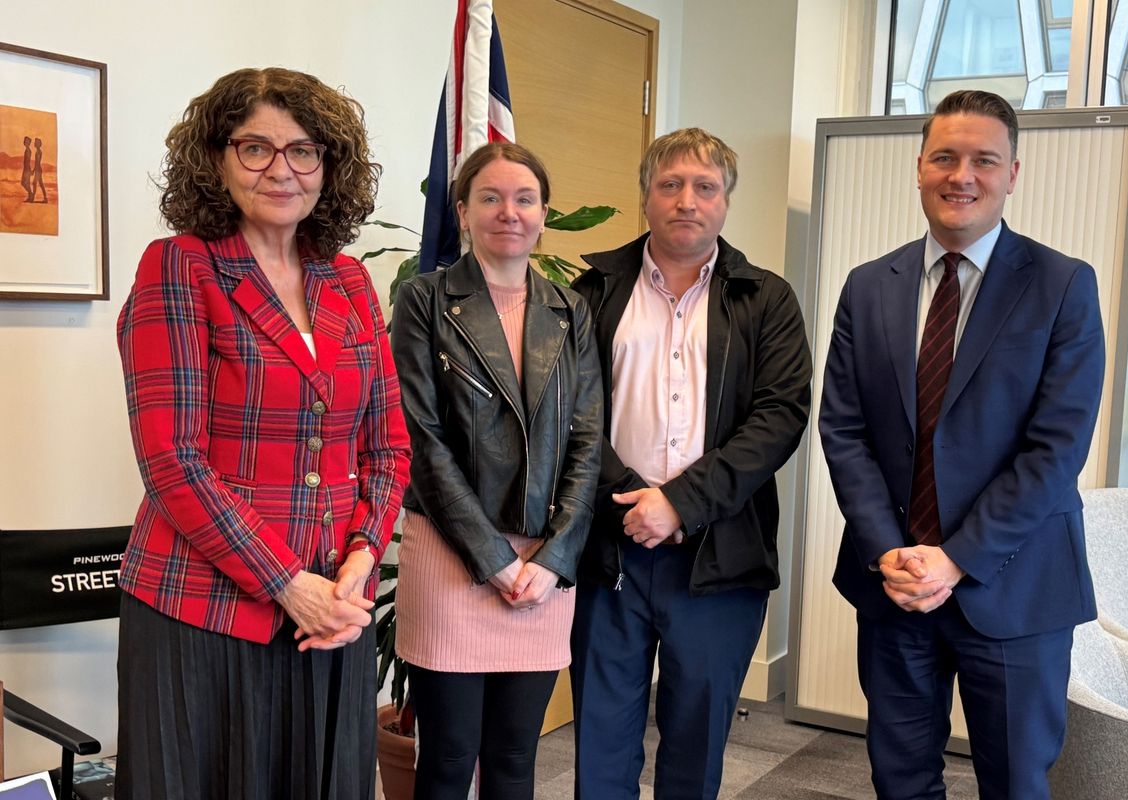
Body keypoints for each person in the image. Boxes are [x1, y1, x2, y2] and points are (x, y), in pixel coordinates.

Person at [115, 67, 411, 800]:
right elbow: (172, 459)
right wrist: (287, 583)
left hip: (329, 615)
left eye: (304, 150)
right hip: (204, 613)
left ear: (328, 165)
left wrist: (361, 562)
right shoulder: (179, 267)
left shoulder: (347, 281)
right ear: (216, 158)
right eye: (256, 148)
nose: (282, 169)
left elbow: (388, 447)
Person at [819, 89, 1106, 799]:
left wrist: (956, 558)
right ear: (919, 167)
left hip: (1015, 586)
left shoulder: (1063, 285)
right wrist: (890, 551)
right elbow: (843, 429)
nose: (962, 175)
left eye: (984, 159)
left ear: (1013, 173)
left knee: (1013, 781)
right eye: (944, 157)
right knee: (900, 779)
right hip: (895, 584)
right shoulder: (866, 286)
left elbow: (1055, 449)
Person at [569, 128, 812, 800]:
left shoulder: (766, 300)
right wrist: (634, 501)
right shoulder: (592, 293)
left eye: (705, 187)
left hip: (721, 558)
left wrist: (680, 502)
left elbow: (780, 416)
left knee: (694, 745)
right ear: (645, 196)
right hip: (608, 556)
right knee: (601, 745)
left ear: (726, 201)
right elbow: (570, 414)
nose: (686, 200)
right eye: (669, 184)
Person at [390, 141, 602, 800]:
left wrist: (554, 556)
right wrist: (494, 558)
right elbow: (419, 439)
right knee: (448, 760)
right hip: (451, 556)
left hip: (544, 562)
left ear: (543, 215)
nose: (507, 212)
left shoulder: (572, 311)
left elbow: (588, 439)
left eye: (524, 198)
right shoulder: (425, 301)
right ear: (462, 211)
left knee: (515, 758)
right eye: (490, 197)